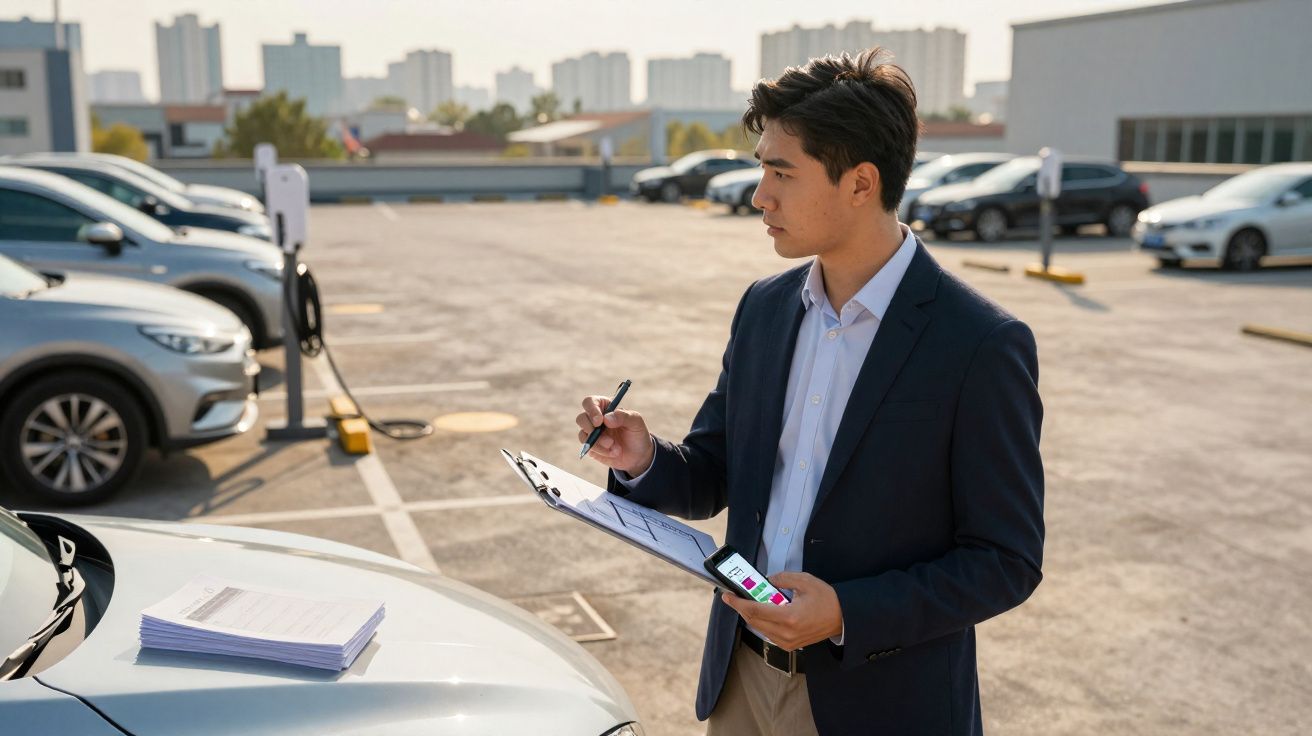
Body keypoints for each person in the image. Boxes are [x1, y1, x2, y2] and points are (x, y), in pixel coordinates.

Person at [575, 47, 1044, 736]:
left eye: (781, 172)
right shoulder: (764, 310)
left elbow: (1006, 560)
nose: (760, 195)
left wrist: (847, 611)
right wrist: (642, 458)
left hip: (880, 704)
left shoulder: (979, 344)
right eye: (761, 169)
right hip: (741, 684)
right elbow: (713, 473)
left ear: (859, 183)